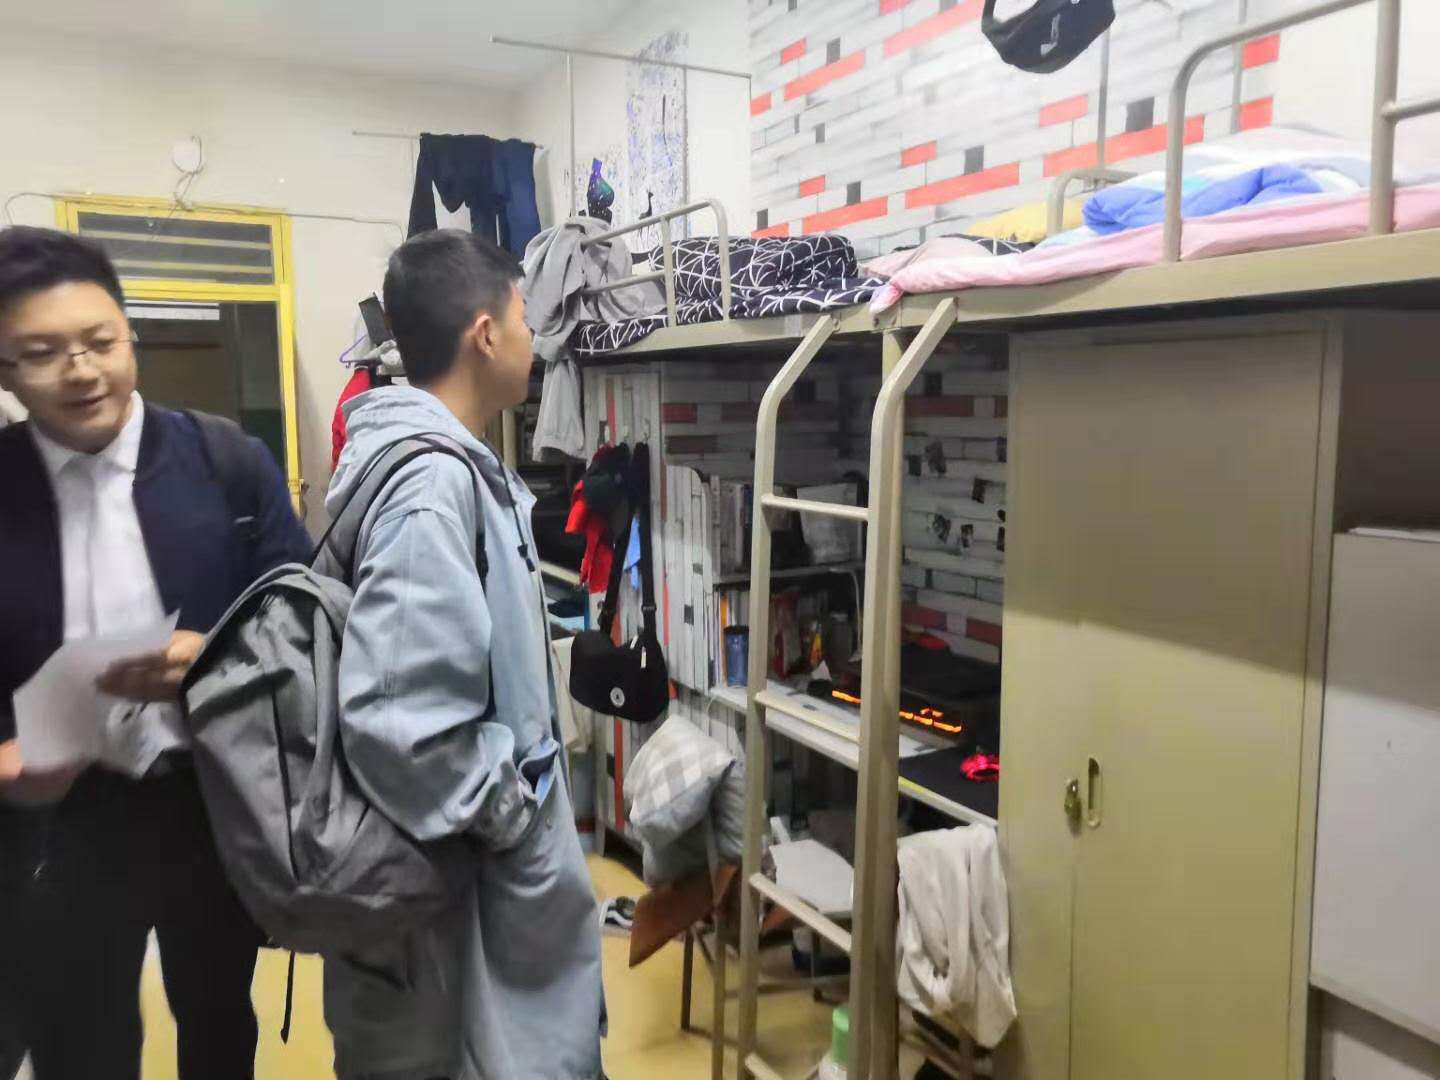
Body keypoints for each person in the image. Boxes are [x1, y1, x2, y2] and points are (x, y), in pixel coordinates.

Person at [0, 226, 312, 1079]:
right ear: (5, 369)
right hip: (55, 824)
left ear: (129, 335)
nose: (81, 371)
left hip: (210, 803)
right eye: (43, 353)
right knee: (80, 1042)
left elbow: (308, 621)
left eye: (100, 341)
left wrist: (218, 655)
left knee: (219, 1024)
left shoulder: (225, 463)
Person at [324, 229, 604, 1080]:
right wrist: (514, 813)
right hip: (461, 897)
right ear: (485, 334)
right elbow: (401, 723)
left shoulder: (450, 467)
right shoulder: (430, 489)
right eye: (524, 317)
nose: (534, 338)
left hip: (480, 891)